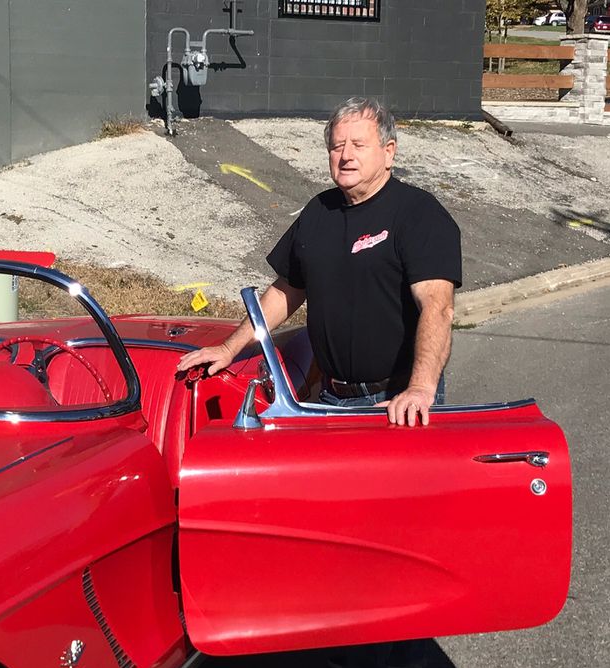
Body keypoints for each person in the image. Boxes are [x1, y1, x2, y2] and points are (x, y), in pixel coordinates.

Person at [177, 96, 462, 427]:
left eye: (358, 145)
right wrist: (229, 349)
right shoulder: (318, 212)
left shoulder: (419, 214)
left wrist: (420, 389)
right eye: (337, 146)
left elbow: (438, 307)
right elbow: (287, 290)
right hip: (331, 399)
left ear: (389, 152)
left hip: (396, 401)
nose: (346, 156)